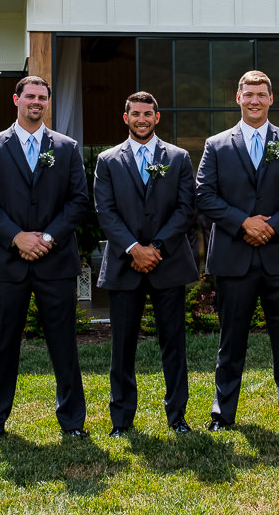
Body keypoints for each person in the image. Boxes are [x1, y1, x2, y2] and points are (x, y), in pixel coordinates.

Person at [0, 75, 90, 443]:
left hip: (54, 262)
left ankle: (72, 422)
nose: (36, 102)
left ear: (47, 103)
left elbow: (78, 201)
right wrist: (17, 238)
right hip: (7, 263)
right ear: (16, 100)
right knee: (2, 345)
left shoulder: (67, 147)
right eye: (30, 96)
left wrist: (48, 237)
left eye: (42, 97)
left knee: (64, 344)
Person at [195, 70, 279, 430]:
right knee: (231, 341)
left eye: (261, 94)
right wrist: (244, 223)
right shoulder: (217, 145)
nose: (255, 100)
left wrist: (271, 226)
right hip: (234, 255)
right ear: (238, 98)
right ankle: (223, 413)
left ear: (271, 99)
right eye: (249, 94)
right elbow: (204, 194)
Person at [94, 92, 198, 437]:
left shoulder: (179, 157)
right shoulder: (108, 160)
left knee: (174, 343)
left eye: (147, 114)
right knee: (122, 346)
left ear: (157, 117)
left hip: (167, 263)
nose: (141, 119)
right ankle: (121, 420)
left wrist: (155, 247)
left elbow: (186, 209)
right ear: (126, 118)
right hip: (126, 265)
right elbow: (105, 211)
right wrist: (133, 248)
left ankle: (178, 416)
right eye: (135, 114)